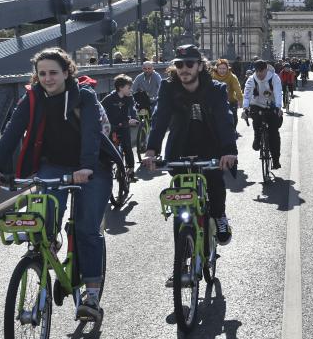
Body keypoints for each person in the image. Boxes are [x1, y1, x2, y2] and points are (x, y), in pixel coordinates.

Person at [0, 48, 120, 322]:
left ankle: (91, 297)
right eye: (42, 73)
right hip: (54, 164)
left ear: (67, 72)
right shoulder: (33, 98)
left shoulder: (85, 96)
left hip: (92, 167)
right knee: (44, 222)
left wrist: (87, 167)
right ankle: (49, 254)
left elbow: (93, 135)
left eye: (53, 73)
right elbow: (12, 132)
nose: (47, 78)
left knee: (86, 229)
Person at [143, 44, 239, 249]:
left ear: (200, 66)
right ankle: (183, 250)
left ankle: (219, 216)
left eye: (189, 64)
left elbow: (224, 119)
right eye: (179, 64)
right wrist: (151, 150)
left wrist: (229, 150)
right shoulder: (168, 88)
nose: (183, 69)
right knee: (180, 194)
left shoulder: (216, 89)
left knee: (214, 182)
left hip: (210, 144)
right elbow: (160, 118)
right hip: (180, 147)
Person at [242, 59, 284, 170]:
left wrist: (279, 107)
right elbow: (246, 94)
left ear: (266, 69)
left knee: (274, 133)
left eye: (262, 71)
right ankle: (257, 137)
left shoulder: (274, 78)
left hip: (272, 105)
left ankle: (275, 160)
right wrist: (245, 108)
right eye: (257, 71)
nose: (260, 74)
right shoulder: (251, 79)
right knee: (256, 121)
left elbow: (278, 92)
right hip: (256, 104)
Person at [101, 74, 140, 181]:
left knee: (127, 147)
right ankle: (108, 168)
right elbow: (101, 112)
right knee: (110, 149)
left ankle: (131, 170)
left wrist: (133, 118)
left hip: (124, 125)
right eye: (129, 87)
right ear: (121, 88)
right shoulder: (108, 99)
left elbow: (132, 110)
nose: (130, 90)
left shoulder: (129, 98)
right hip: (111, 127)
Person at [211, 58, 244, 127]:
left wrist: (240, 99)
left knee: (233, 118)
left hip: (230, 101)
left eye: (224, 68)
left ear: (227, 69)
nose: (222, 71)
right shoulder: (212, 76)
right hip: (216, 102)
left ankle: (233, 130)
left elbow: (237, 88)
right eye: (220, 68)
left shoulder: (232, 77)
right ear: (216, 68)